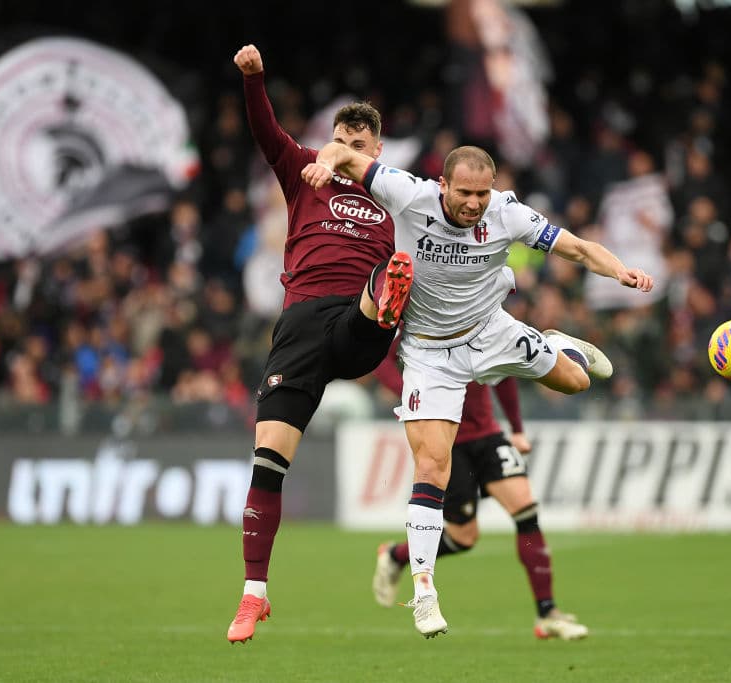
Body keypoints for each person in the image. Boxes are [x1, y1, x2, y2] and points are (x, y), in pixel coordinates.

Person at [302, 144, 653, 638]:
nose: (473, 203)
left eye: (482, 193)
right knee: (432, 466)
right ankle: (424, 588)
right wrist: (327, 160)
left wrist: (620, 271)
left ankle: (553, 342)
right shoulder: (408, 194)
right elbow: (346, 153)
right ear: (443, 186)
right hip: (428, 352)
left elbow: (576, 247)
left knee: (577, 382)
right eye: (464, 193)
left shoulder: (508, 213)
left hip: (491, 331)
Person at [226, 44, 414, 644]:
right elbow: (265, 131)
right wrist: (255, 80)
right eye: (341, 142)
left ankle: (383, 298)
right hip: (301, 323)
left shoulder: (394, 196)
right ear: (330, 139)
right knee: (268, 460)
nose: (348, 154)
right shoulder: (303, 171)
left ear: (377, 153)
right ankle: (254, 594)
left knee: (370, 305)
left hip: (356, 322)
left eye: (361, 148)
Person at [371, 341, 589, 640]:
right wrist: (407, 390)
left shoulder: (484, 313)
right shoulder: (423, 314)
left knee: (526, 511)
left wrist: (517, 429)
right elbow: (380, 357)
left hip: (488, 435)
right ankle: (396, 555)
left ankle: (547, 613)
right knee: (464, 537)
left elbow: (506, 371)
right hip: (447, 441)